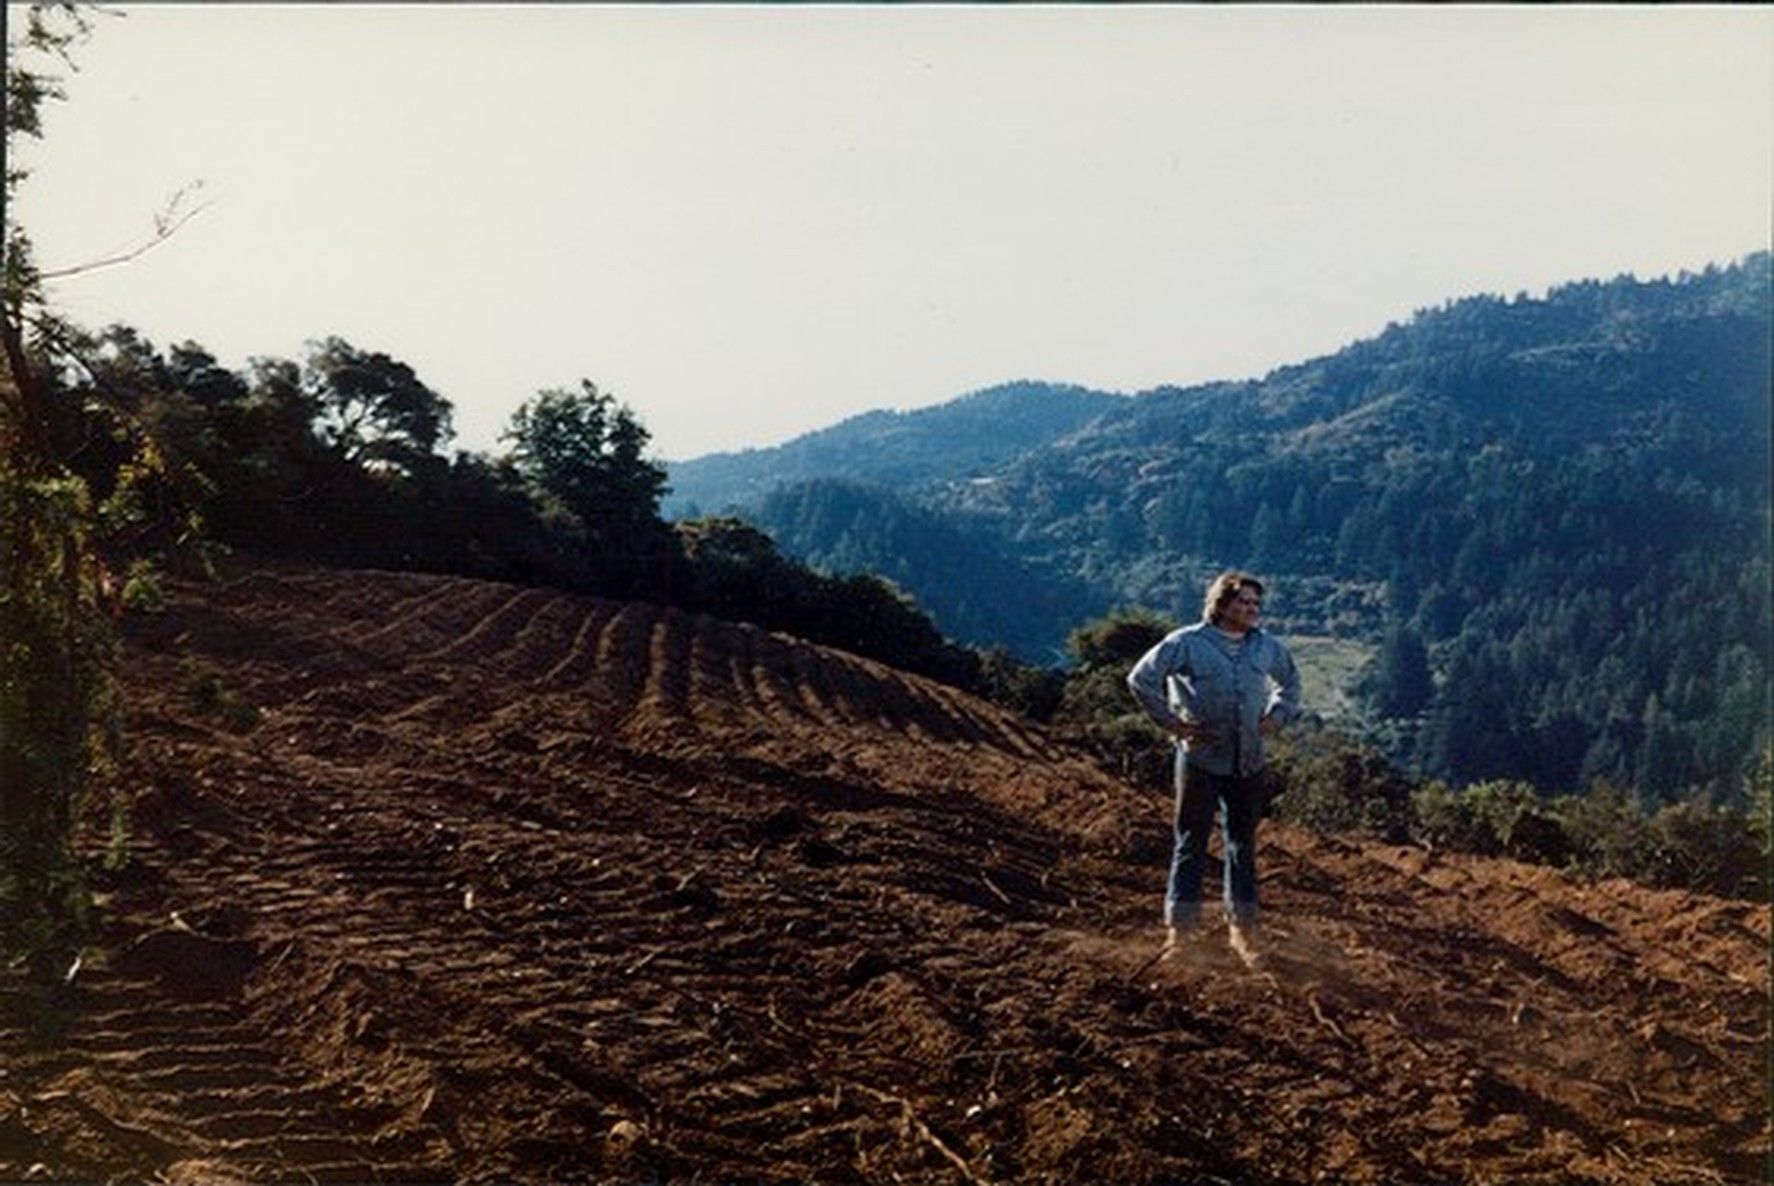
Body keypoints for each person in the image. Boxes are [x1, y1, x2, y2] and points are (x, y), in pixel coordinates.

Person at [1126, 571, 1301, 966]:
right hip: (1201, 759)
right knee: (1191, 842)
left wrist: (1277, 716)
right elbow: (1141, 679)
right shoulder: (1186, 643)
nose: (1252, 610)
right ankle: (1180, 934)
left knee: (1242, 844)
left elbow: (1290, 683)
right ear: (1221, 605)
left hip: (1249, 760)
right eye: (1244, 603)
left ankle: (1243, 931)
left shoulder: (1267, 647)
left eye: (1256, 604)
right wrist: (1173, 723)